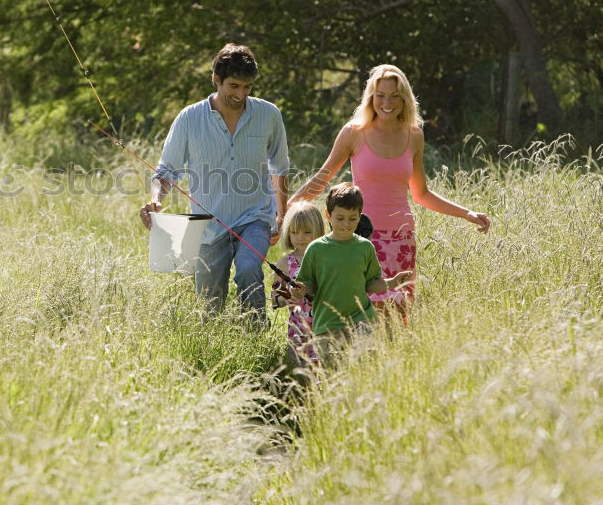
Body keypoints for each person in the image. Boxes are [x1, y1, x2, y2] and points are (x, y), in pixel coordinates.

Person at [289, 64, 490, 318]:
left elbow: (421, 194)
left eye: (394, 96)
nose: (387, 102)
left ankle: (390, 358)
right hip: (359, 235)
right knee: (360, 310)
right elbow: (324, 176)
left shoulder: (414, 135)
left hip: (401, 238)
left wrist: (467, 213)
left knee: (396, 311)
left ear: (404, 98)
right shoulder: (354, 132)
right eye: (380, 95)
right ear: (371, 97)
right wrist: (288, 208)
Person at [139, 44, 290, 326]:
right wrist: (156, 199)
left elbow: (280, 167)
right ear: (216, 79)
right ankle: (215, 349)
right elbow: (166, 171)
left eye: (247, 87)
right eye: (234, 85)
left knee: (248, 269)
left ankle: (256, 338)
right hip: (208, 225)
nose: (241, 94)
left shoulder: (269, 115)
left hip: (255, 217)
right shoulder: (189, 118)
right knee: (210, 308)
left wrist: (281, 216)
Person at [287, 183, 412, 364]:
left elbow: (370, 283)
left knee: (363, 368)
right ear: (328, 216)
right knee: (334, 376)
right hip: (327, 325)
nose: (346, 224)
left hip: (362, 321)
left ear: (359, 217)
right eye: (340, 218)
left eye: (352, 219)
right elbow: (308, 284)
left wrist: (391, 282)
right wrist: (301, 290)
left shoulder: (365, 247)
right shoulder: (316, 249)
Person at [271, 201, 324, 367]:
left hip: (324, 324)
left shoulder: (325, 259)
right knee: (299, 371)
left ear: (318, 232)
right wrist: (287, 298)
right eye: (294, 232)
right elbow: (274, 300)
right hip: (298, 329)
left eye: (307, 232)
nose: (300, 237)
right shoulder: (284, 264)